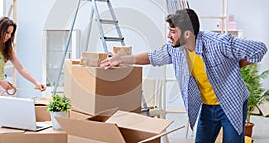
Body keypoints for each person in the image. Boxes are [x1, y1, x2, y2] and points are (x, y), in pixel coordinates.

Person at [101, 9, 267, 143]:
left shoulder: (218, 43)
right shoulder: (175, 49)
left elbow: (259, 49)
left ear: (187, 33)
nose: (169, 35)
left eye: (173, 31)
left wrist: (237, 65)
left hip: (231, 102)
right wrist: (121, 59)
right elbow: (152, 57)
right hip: (208, 106)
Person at [0, 17, 46, 107]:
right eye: (7, 32)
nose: (9, 36)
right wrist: (0, 82)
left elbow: (21, 69)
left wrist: (36, 83)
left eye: (11, 33)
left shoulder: (8, 49)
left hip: (2, 88)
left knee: (3, 118)